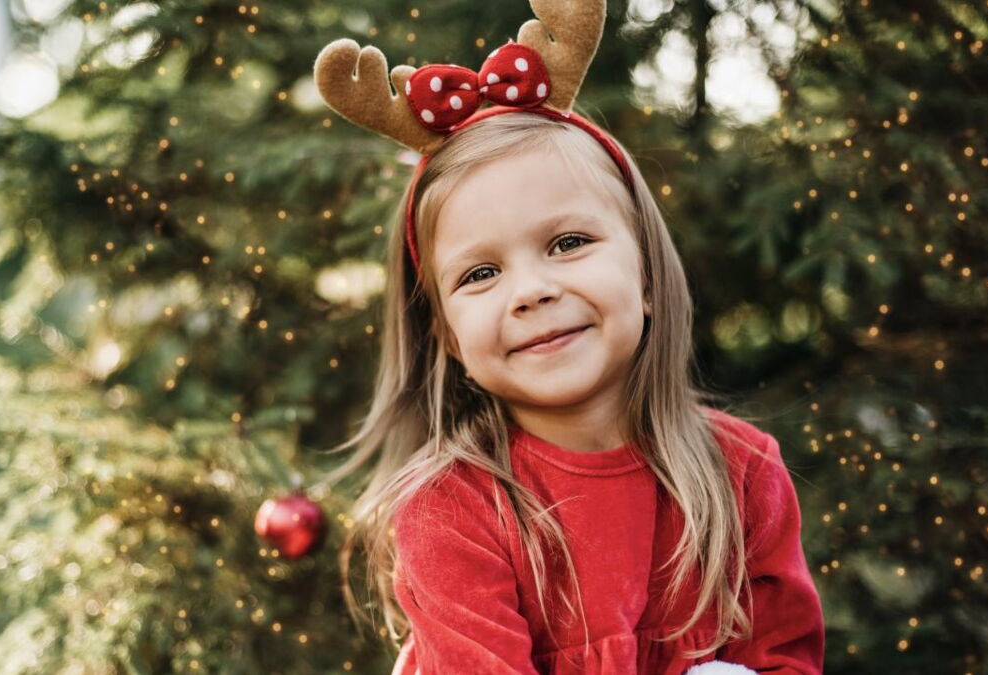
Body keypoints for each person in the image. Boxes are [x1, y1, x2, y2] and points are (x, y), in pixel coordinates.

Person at [310, 0, 825, 672]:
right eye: (481, 273)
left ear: (646, 272)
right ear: (450, 338)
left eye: (569, 242)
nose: (531, 291)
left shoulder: (743, 473)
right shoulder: (449, 509)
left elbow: (783, 656)